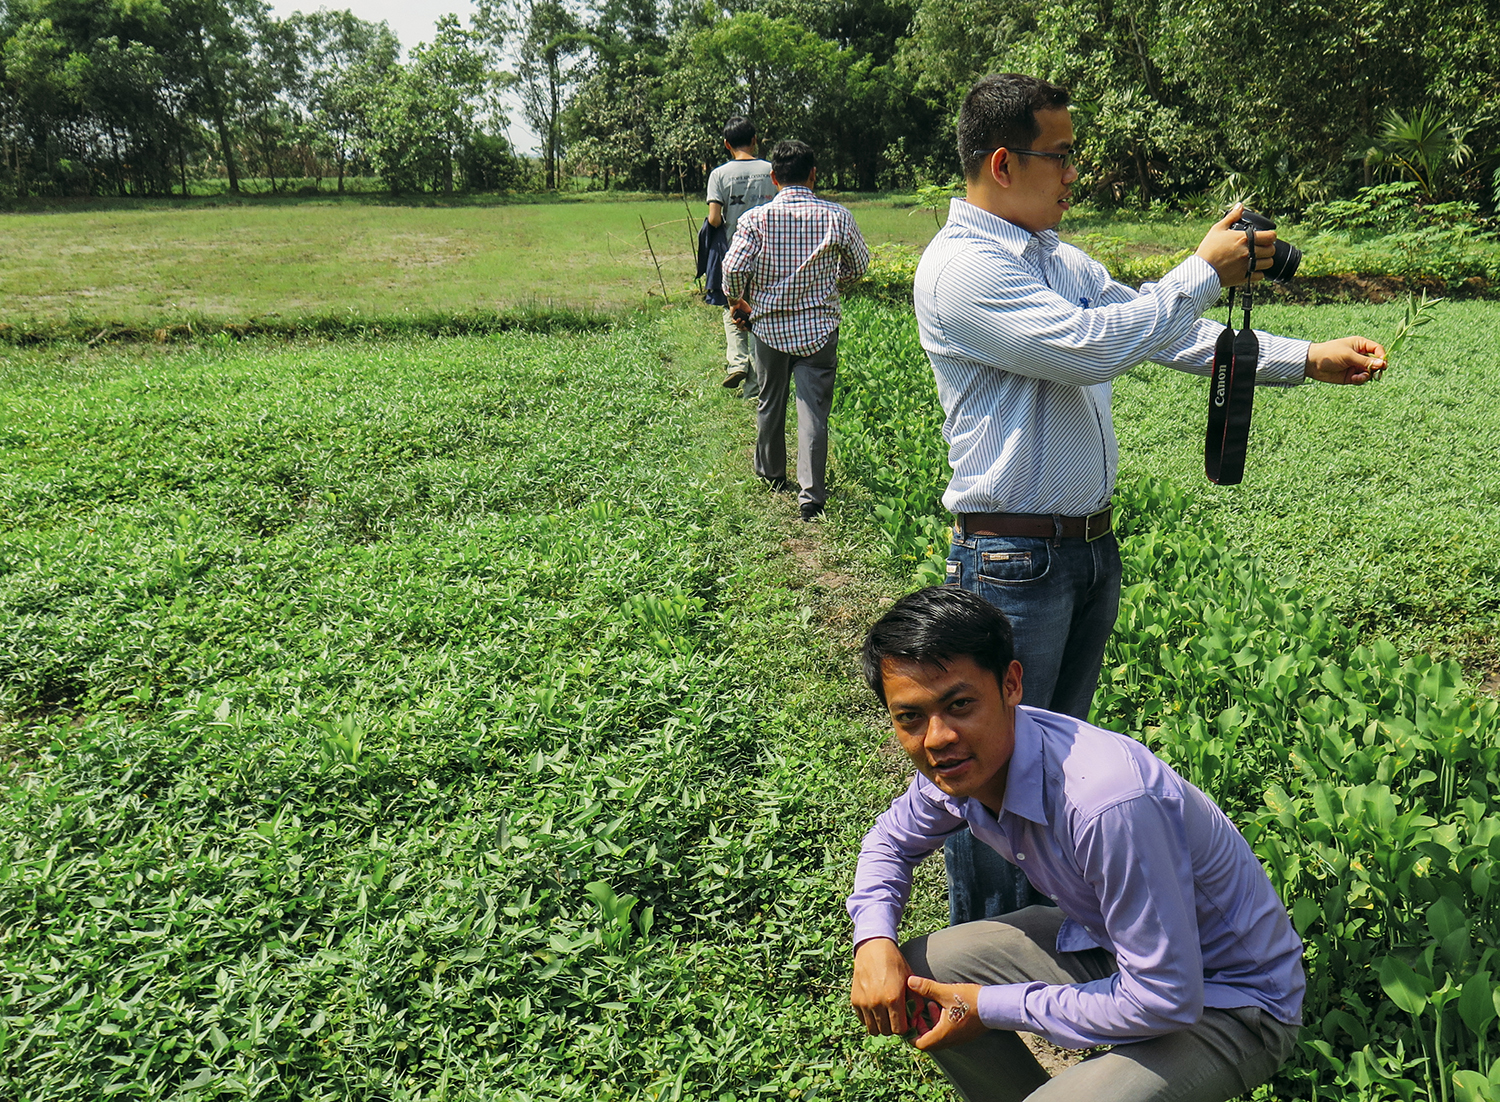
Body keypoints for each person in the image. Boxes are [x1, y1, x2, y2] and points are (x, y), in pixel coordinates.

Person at [915, 73, 1389, 923]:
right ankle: (978, 958)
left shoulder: (1057, 259)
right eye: (1059, 157)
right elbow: (1097, 347)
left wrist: (1302, 356)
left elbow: (1155, 326)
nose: (1072, 175)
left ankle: (1043, 940)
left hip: (1086, 547)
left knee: (1053, 764)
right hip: (1011, 559)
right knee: (989, 769)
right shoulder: (963, 270)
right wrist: (1202, 270)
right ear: (1001, 161)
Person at [848, 586, 1305, 1101]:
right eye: (910, 717)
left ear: (1011, 684)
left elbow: (1166, 997)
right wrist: (873, 941)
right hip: (1114, 947)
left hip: (1229, 1001)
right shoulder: (954, 767)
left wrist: (988, 1006)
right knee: (920, 975)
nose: (937, 738)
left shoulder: (1105, 803)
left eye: (960, 704)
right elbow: (889, 842)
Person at [723, 139, 870, 521]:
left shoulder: (755, 219)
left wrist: (738, 302)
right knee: (813, 411)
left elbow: (732, 270)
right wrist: (832, 283)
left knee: (770, 401)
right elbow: (858, 265)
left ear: (774, 177)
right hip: (819, 329)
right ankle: (810, 496)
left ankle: (771, 474)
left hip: (768, 328)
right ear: (813, 175)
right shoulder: (837, 217)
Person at [706, 116, 775, 397]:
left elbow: (713, 219)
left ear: (726, 144)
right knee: (759, 315)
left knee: (732, 308)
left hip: (737, 252)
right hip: (771, 255)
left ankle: (737, 362)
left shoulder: (719, 175)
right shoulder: (772, 170)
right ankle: (755, 387)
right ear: (755, 140)